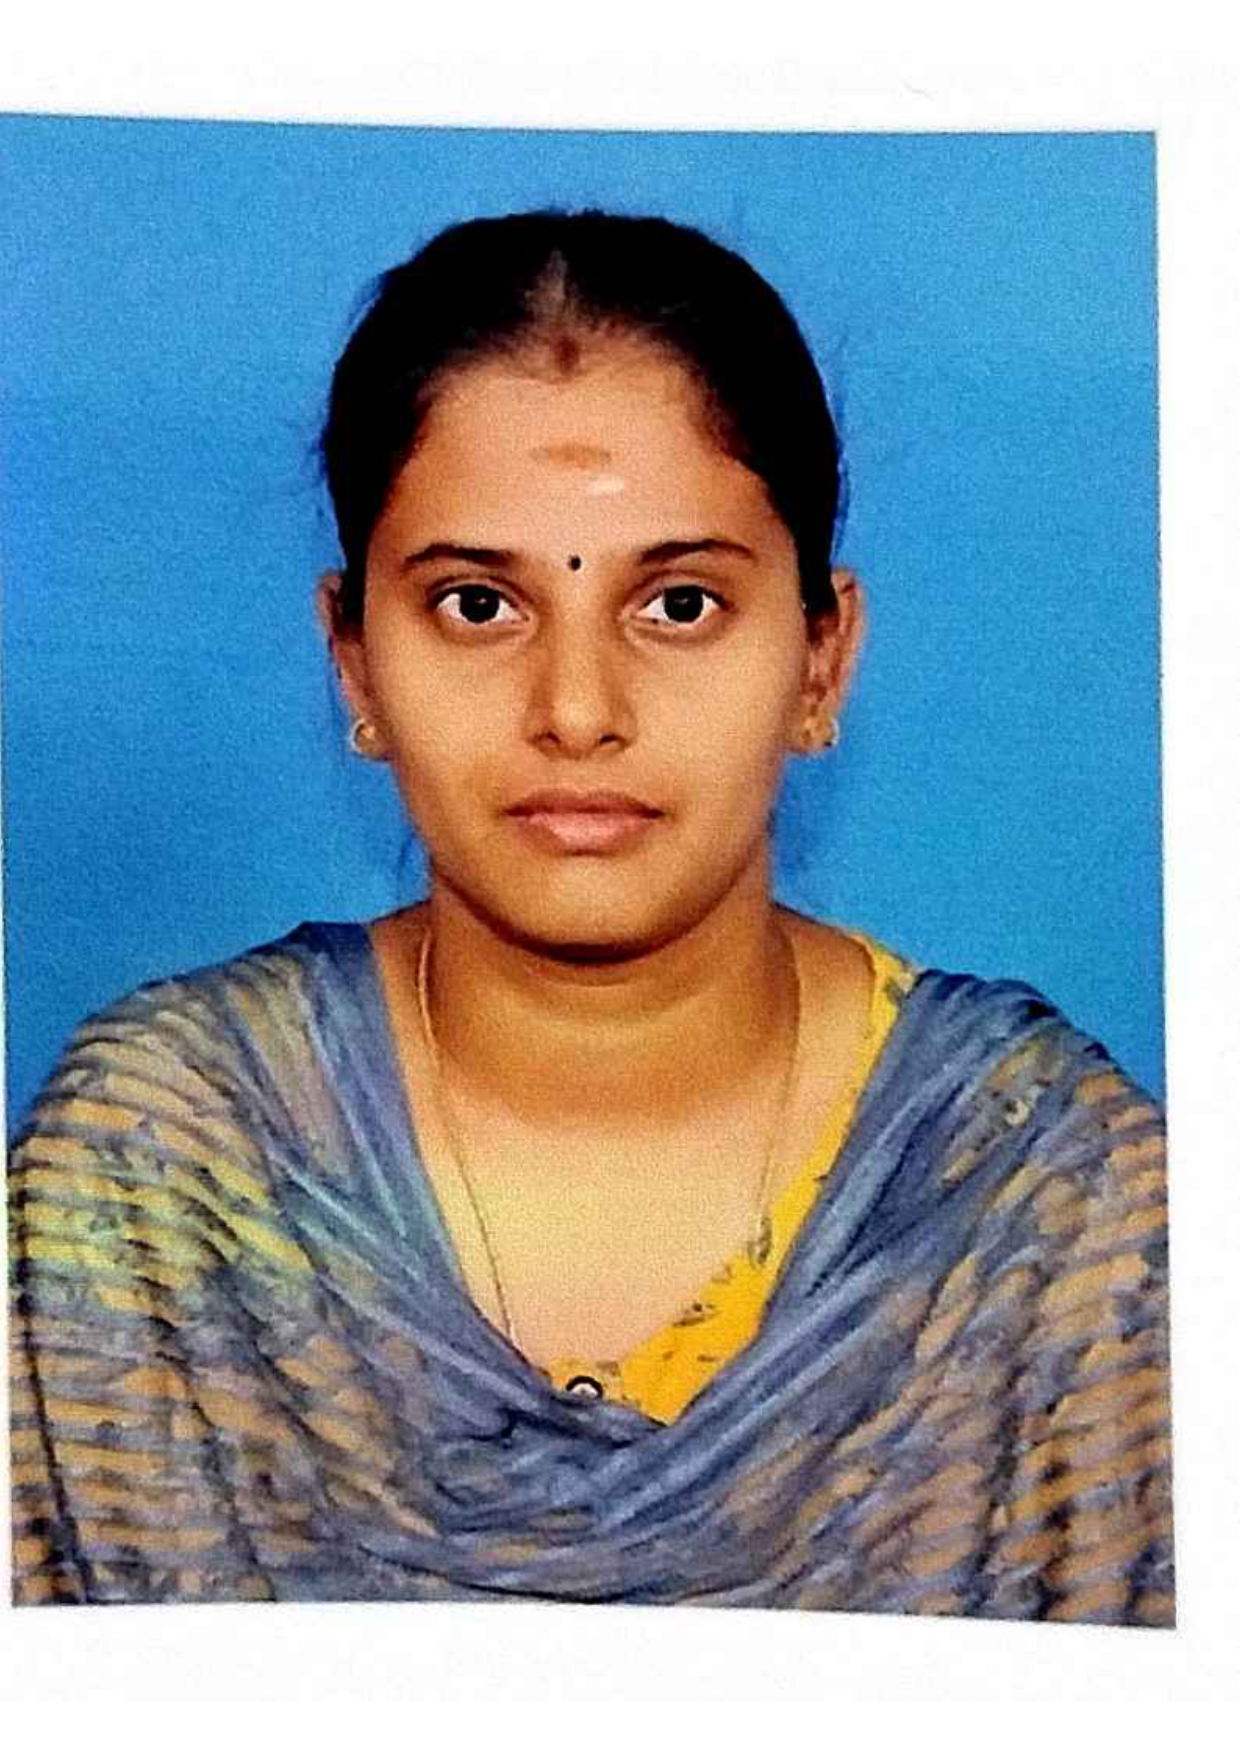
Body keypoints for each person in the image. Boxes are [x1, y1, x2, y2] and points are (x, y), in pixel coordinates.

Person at [8, 209, 1173, 1622]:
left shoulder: (1051, 1205)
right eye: (475, 606)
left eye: (678, 605)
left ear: (822, 660)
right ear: (354, 662)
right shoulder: (159, 1176)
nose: (576, 710)